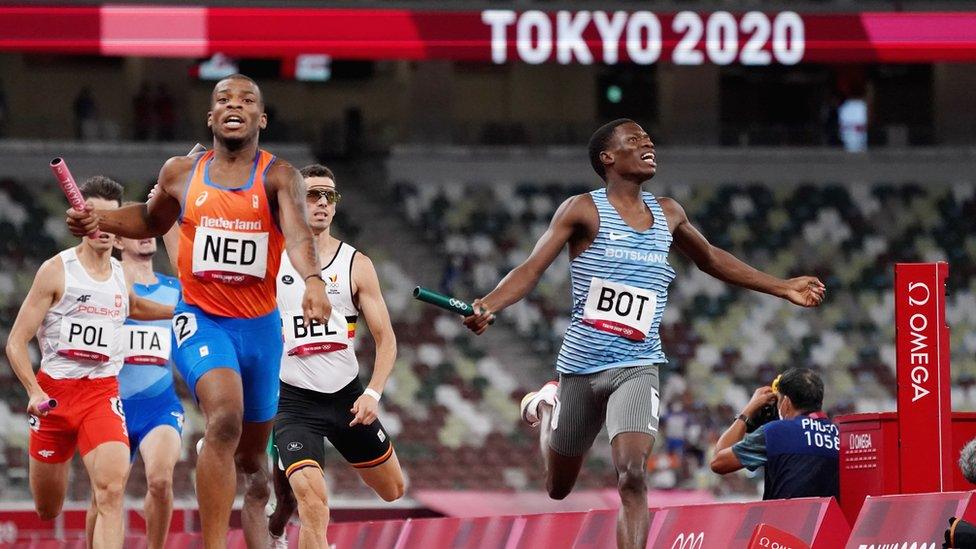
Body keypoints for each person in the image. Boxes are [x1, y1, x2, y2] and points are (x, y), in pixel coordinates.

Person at [463, 119, 826, 549]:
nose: (647, 143)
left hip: (637, 365)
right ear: (608, 157)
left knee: (632, 474)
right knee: (557, 487)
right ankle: (546, 407)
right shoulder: (582, 209)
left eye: (648, 138)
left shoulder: (669, 213)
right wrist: (491, 302)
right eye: (633, 140)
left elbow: (710, 259)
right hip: (580, 367)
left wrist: (781, 286)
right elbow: (530, 269)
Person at [66, 74, 331, 548]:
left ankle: (237, 468)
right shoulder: (180, 174)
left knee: (253, 462)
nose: (235, 105)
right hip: (203, 318)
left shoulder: (278, 176)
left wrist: (313, 281)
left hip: (261, 329)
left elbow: (296, 236)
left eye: (247, 100)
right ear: (210, 117)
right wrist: (99, 218)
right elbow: (149, 220)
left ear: (261, 118)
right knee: (225, 418)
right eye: (224, 100)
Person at [6, 176, 174, 549]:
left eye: (111, 220)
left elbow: (135, 306)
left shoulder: (120, 273)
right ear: (80, 219)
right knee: (48, 508)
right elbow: (16, 341)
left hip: (101, 395)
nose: (103, 227)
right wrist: (33, 391)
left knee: (111, 493)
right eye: (94, 216)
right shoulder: (56, 270)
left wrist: (180, 310)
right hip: (53, 396)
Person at [265, 164, 404, 549]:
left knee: (393, 490)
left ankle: (282, 481)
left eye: (330, 196)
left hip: (347, 398)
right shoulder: (272, 261)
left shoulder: (356, 265)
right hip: (294, 403)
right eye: (312, 195)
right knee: (315, 503)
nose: (323, 202)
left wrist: (373, 393)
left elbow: (386, 339)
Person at [110, 226, 183, 549]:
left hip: (159, 405)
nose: (145, 233)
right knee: (107, 491)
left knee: (161, 481)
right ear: (117, 240)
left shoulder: (177, 290)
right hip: (111, 407)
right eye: (135, 229)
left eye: (150, 227)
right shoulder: (107, 286)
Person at [710, 368, 839, 500]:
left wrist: (748, 410)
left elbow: (718, 462)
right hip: (830, 519)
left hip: (784, 519)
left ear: (786, 402)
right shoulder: (840, 435)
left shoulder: (777, 432)